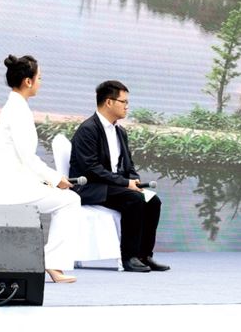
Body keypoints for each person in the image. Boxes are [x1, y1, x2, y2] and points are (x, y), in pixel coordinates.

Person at [0, 55, 80, 284]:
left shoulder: (15, 106)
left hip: (13, 184)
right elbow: (28, 158)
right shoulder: (18, 110)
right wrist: (56, 179)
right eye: (39, 78)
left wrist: (49, 181)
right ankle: (52, 263)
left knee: (66, 199)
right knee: (70, 200)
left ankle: (51, 263)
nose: (40, 82)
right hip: (10, 189)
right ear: (28, 81)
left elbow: (24, 160)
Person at [69, 80, 169, 273]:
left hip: (113, 186)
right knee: (133, 199)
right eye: (123, 102)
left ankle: (144, 256)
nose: (127, 106)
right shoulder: (88, 129)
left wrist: (135, 181)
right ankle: (129, 257)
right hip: (91, 187)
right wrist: (125, 183)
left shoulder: (120, 131)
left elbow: (128, 165)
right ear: (109, 102)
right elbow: (91, 169)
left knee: (152, 201)